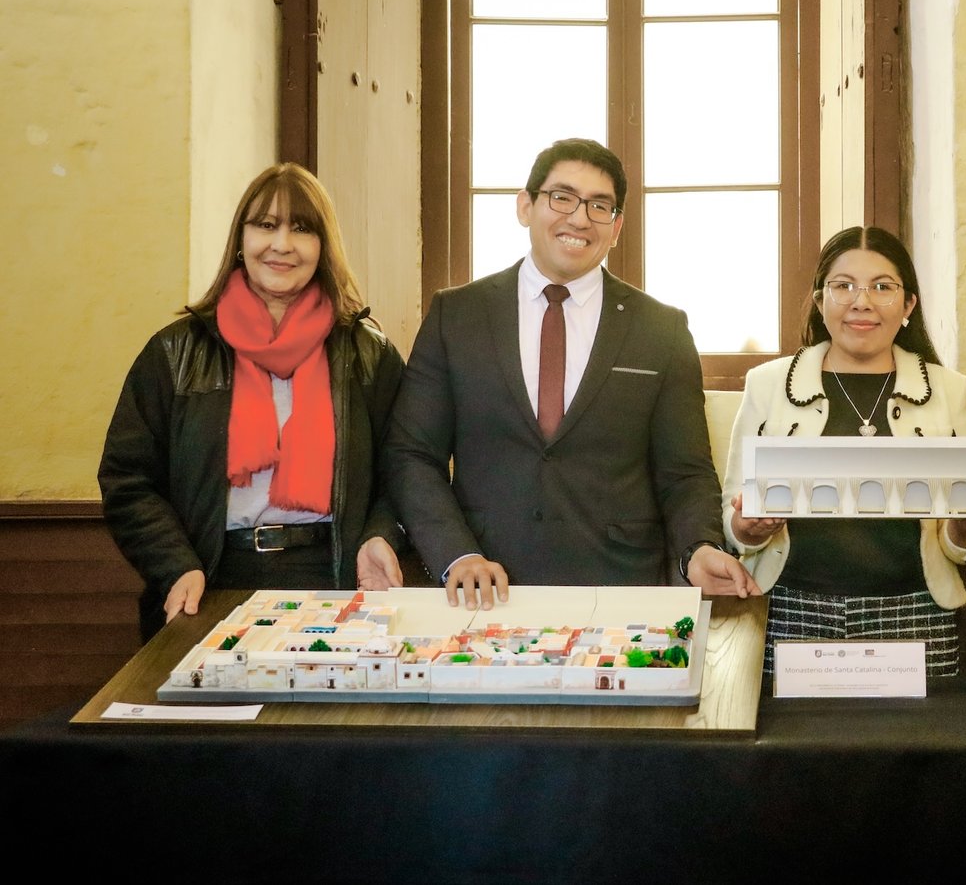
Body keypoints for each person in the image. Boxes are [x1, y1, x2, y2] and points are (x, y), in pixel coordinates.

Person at [383, 137, 756, 608]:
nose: (579, 218)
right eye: (562, 197)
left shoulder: (661, 328)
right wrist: (456, 554)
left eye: (600, 206)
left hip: (622, 589)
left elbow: (684, 473)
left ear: (617, 227)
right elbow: (412, 453)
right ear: (525, 206)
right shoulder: (456, 315)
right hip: (483, 587)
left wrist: (697, 549)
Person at [99, 163, 408, 642]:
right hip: (210, 579)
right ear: (240, 241)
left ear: (323, 247)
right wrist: (176, 565)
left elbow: (403, 470)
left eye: (302, 228)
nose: (282, 243)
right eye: (266, 225)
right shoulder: (177, 350)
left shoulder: (368, 354)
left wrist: (379, 536)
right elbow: (128, 479)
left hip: (336, 578)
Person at [721, 226, 966, 676]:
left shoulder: (949, 391)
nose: (862, 301)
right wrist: (749, 527)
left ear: (909, 304)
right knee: (793, 748)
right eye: (843, 286)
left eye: (882, 287)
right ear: (820, 301)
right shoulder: (768, 384)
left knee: (911, 749)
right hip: (790, 610)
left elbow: (957, 545)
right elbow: (732, 515)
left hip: (915, 613)